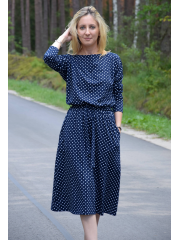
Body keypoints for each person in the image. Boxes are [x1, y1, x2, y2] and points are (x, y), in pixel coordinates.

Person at [43, 6, 123, 240]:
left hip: (106, 125)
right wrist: (63, 37)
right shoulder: (70, 62)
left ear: (99, 30)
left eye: (91, 26)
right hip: (76, 125)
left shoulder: (113, 60)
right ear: (75, 31)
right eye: (81, 27)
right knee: (84, 185)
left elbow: (118, 94)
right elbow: (49, 57)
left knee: (98, 186)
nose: (87, 31)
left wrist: (117, 126)